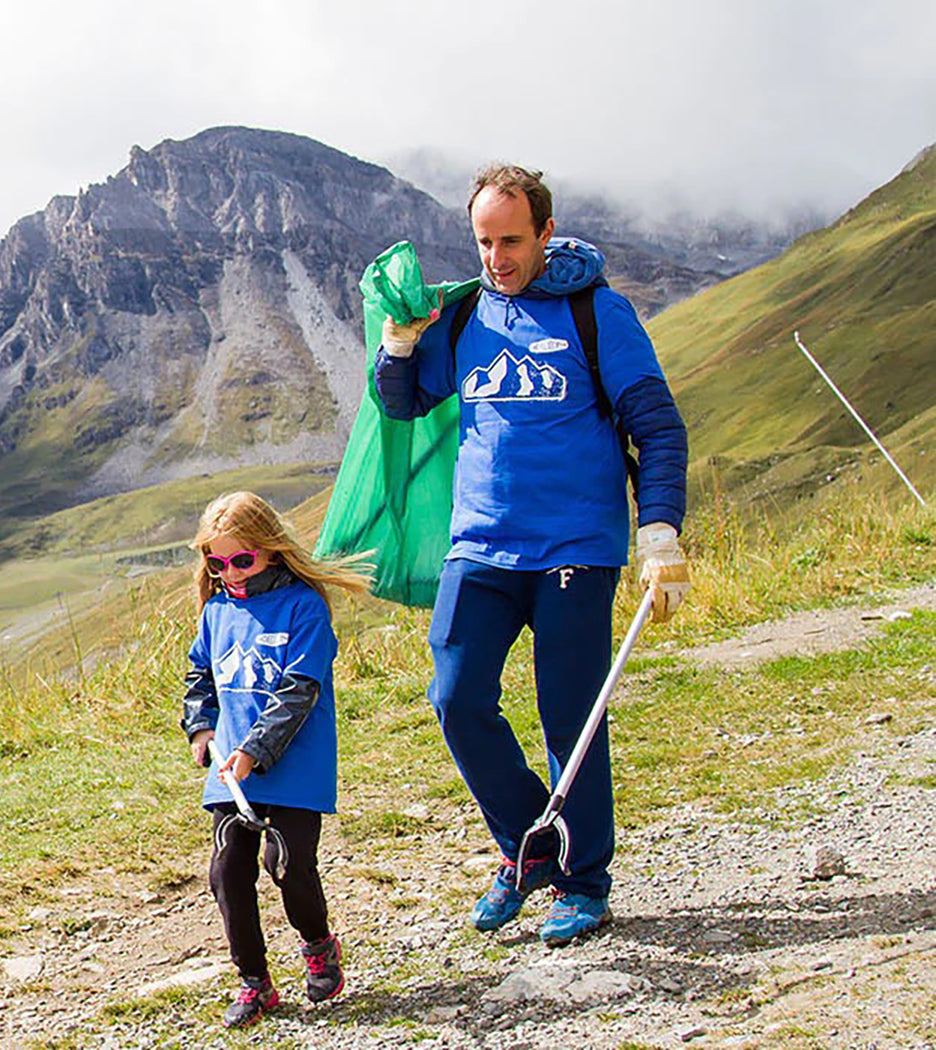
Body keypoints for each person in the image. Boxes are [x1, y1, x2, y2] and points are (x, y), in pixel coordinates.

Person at [373, 164, 690, 947]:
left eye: (511, 241)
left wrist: (660, 531)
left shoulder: (596, 314)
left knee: (569, 715)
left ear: (545, 233)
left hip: (575, 546)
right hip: (480, 544)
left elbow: (657, 426)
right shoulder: (466, 314)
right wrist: (398, 346)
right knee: (455, 697)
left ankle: (583, 882)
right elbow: (404, 402)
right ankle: (529, 848)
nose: (496, 257)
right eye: (484, 241)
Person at [180, 491, 371, 1027]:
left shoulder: (304, 607)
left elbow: (298, 692)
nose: (230, 572)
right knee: (227, 871)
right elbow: (201, 680)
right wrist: (200, 728)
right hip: (231, 775)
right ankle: (254, 982)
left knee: (284, 865)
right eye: (218, 562)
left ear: (271, 550)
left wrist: (253, 752)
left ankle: (317, 944)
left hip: (292, 768)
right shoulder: (216, 611)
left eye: (242, 559)